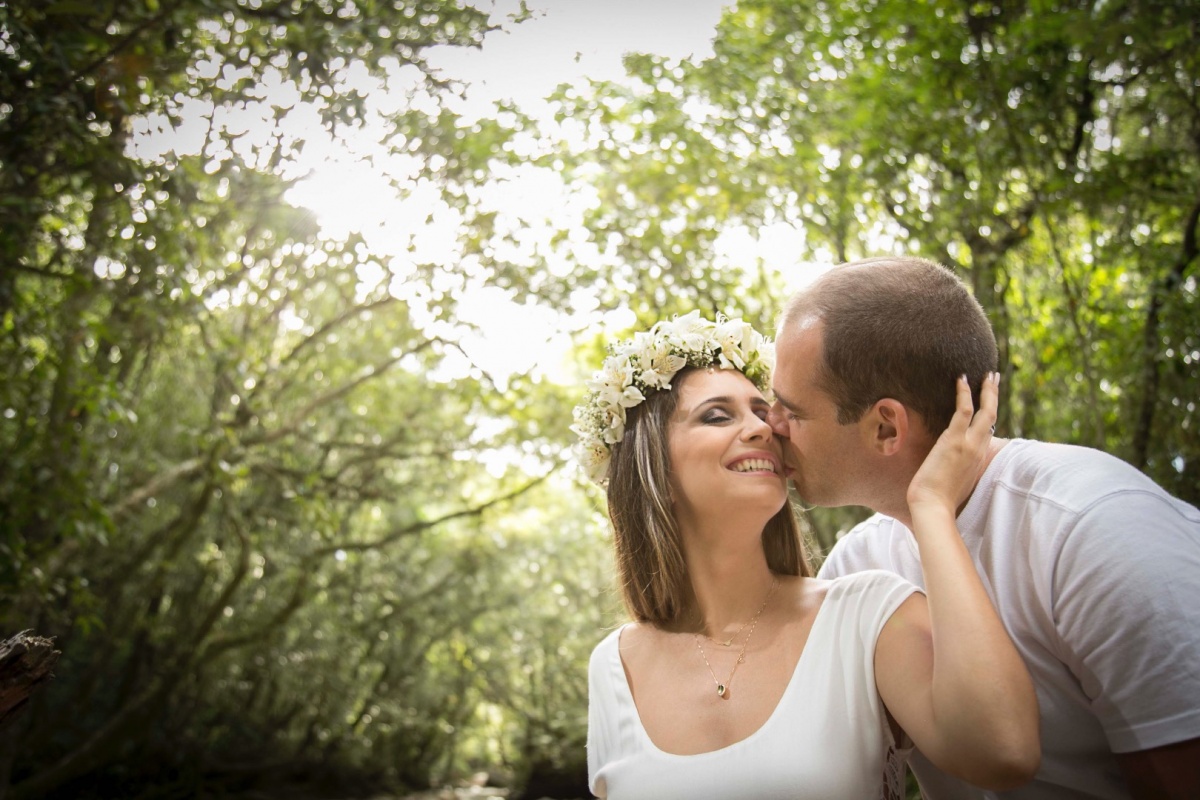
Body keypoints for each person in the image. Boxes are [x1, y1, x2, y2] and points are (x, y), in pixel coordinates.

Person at [769, 256, 1200, 800]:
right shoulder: (856, 570)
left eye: (791, 410)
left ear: (885, 427)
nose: (770, 426)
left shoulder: (1096, 532)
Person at [577, 311, 1039, 799]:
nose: (761, 428)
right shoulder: (613, 668)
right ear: (654, 470)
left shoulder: (868, 613)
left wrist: (929, 506)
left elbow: (1005, 751)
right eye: (717, 415)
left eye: (762, 411)